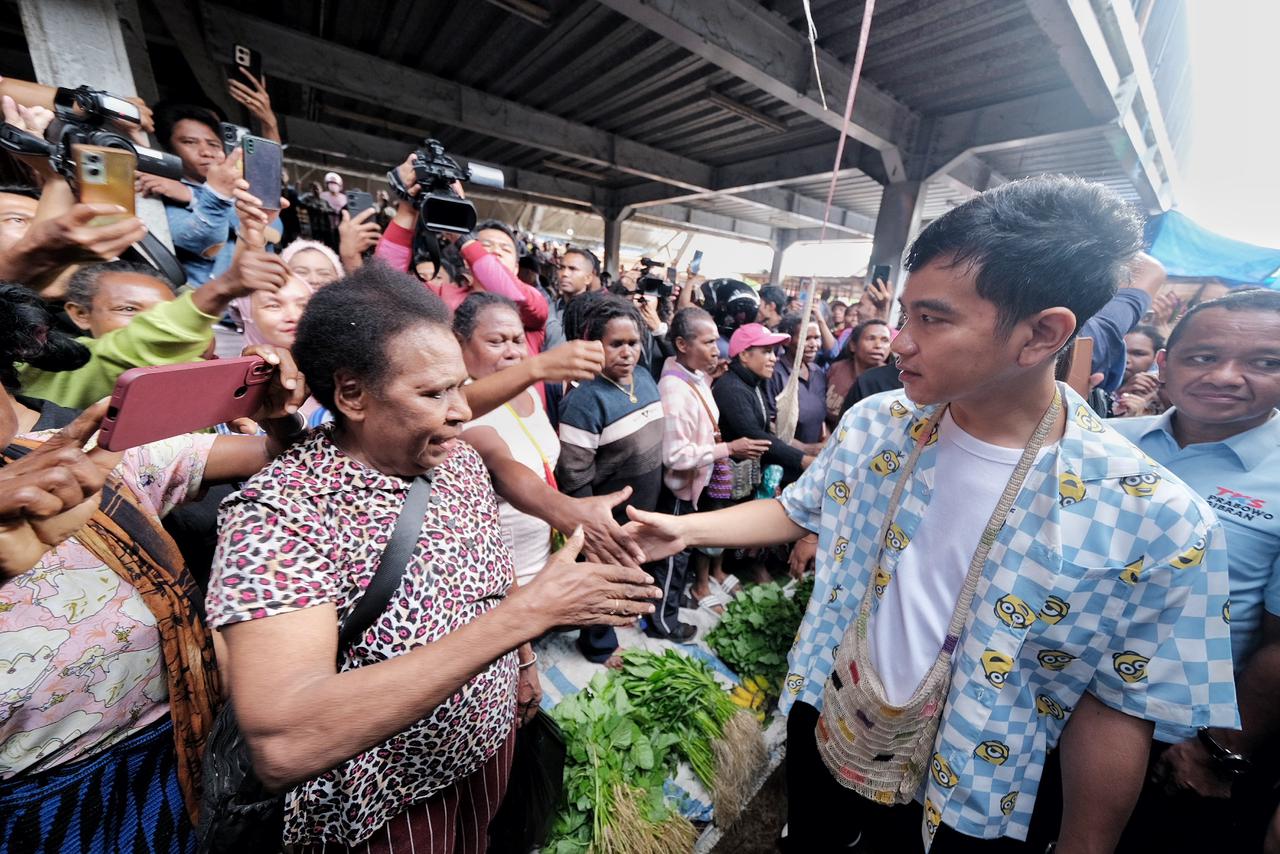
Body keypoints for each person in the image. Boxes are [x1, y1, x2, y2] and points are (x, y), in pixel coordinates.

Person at [622, 176, 1236, 853]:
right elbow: (797, 510)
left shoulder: (1153, 517)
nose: (898, 341)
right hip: (833, 711)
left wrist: (1087, 844)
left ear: (1041, 335)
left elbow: (1116, 706)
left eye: (932, 320)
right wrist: (682, 528)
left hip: (972, 783)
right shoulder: (879, 424)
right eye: (904, 315)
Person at [206, 266, 661, 852]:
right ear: (351, 394)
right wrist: (528, 616)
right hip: (382, 810)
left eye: (457, 387)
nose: (461, 411)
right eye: (433, 394)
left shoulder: (455, 460)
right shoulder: (282, 513)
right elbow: (285, 741)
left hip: (484, 759)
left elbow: (487, 587)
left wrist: (521, 663)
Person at [0, 282, 309, 854]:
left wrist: (280, 416)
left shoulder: (86, 452)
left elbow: (280, 457)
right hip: (30, 809)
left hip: (173, 753)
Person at [1110, 289, 1280, 853]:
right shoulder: (1108, 444)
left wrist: (1218, 750)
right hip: (1044, 715)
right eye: (1203, 357)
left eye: (1264, 362)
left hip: (1176, 746)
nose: (1227, 377)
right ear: (1165, 364)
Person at [454, 292, 644, 582]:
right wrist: (566, 511)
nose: (512, 352)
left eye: (518, 341)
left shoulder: (526, 389)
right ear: (459, 342)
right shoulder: (460, 408)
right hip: (507, 579)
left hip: (545, 560)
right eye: (496, 342)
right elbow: (499, 464)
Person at [18, 250, 288, 409]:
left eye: (162, 311)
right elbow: (134, 346)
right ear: (80, 314)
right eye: (128, 310)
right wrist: (221, 288)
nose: (146, 322)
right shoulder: (52, 362)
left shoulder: (195, 377)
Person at [556, 295, 672, 653]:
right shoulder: (584, 400)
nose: (627, 353)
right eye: (616, 344)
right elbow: (574, 474)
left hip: (643, 501)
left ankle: (621, 618)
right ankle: (598, 644)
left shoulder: (644, 377)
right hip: (607, 512)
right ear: (595, 347)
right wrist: (593, 528)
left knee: (629, 570)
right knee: (603, 574)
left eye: (633, 343)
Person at [658, 306, 769, 614]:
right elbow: (675, 455)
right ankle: (666, 617)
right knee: (677, 552)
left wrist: (707, 381)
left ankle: (680, 594)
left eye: (717, 341)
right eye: (707, 342)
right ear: (682, 345)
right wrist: (729, 449)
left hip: (699, 479)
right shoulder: (673, 390)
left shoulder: (693, 376)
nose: (716, 349)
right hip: (681, 489)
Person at [143, 104, 249, 286]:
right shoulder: (159, 190)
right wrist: (217, 196)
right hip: (207, 307)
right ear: (168, 148)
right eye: (189, 142)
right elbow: (205, 243)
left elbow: (273, 228)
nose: (206, 152)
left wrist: (193, 195)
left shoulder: (235, 187)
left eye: (214, 144)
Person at [714, 322, 814, 486]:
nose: (774, 358)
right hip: (728, 490)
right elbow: (755, 436)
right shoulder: (732, 389)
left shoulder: (751, 383)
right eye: (767, 352)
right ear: (744, 355)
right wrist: (802, 460)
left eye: (774, 352)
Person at [768, 313, 829, 447]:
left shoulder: (817, 372)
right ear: (788, 341)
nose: (814, 344)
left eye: (817, 338)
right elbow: (768, 424)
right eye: (806, 338)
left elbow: (821, 418)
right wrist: (803, 449)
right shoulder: (775, 374)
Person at [825, 318, 892, 427]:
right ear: (853, 345)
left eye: (885, 340)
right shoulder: (837, 368)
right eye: (871, 338)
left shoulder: (892, 381)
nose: (878, 345)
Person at [1111, 324, 1166, 417]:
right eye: (1119, 351)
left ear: (1157, 358)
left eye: (1138, 354)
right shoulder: (1096, 386)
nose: (1125, 359)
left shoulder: (1165, 392)